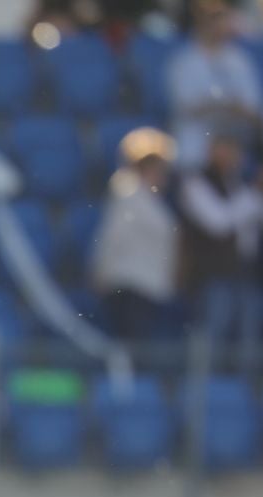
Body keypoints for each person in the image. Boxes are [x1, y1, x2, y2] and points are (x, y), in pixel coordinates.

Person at [179, 131, 263, 370]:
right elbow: (218, 223)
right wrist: (253, 199)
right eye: (226, 148)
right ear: (212, 150)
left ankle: (244, 397)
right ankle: (204, 394)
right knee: (212, 338)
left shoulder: (239, 185)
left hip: (244, 273)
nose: (233, 156)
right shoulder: (195, 183)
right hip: (212, 275)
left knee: (248, 343)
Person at [90, 126, 180, 347]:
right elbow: (112, 238)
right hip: (129, 285)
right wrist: (101, 270)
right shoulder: (128, 197)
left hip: (147, 286)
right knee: (132, 346)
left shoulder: (150, 201)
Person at [166, 0, 263, 172]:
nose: (218, 25)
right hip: (195, 147)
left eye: (221, 18)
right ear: (200, 21)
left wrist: (231, 108)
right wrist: (221, 105)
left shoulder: (240, 61)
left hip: (233, 146)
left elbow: (253, 109)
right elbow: (184, 107)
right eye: (212, 18)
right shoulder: (183, 62)